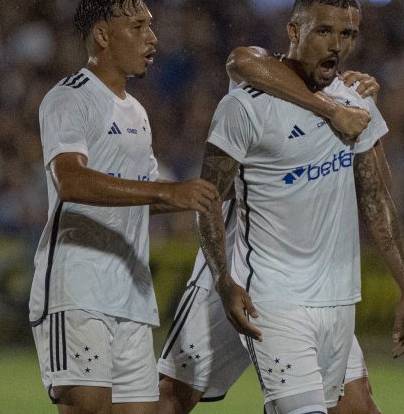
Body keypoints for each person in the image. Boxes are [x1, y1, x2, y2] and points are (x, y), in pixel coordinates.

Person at [196, 0, 404, 414]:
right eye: (325, 31)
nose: (337, 45)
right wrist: (224, 279)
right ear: (293, 31)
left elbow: (376, 199)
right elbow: (208, 198)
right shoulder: (247, 106)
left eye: (348, 35)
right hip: (274, 300)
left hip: (338, 301)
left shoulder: (355, 101)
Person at [28, 0, 218, 414]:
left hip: (131, 296)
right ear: (102, 35)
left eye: (151, 26)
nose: (152, 37)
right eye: (137, 26)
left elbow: (150, 197)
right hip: (76, 291)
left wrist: (208, 196)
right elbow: (71, 181)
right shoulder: (68, 99)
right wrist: (170, 190)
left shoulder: (136, 111)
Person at [157, 69, 384, 414]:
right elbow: (241, 60)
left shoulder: (346, 97)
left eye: (346, 34)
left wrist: (366, 115)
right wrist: (331, 109)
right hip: (239, 260)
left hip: (307, 280)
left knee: (355, 404)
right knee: (174, 392)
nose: (335, 44)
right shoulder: (262, 82)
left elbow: (376, 188)